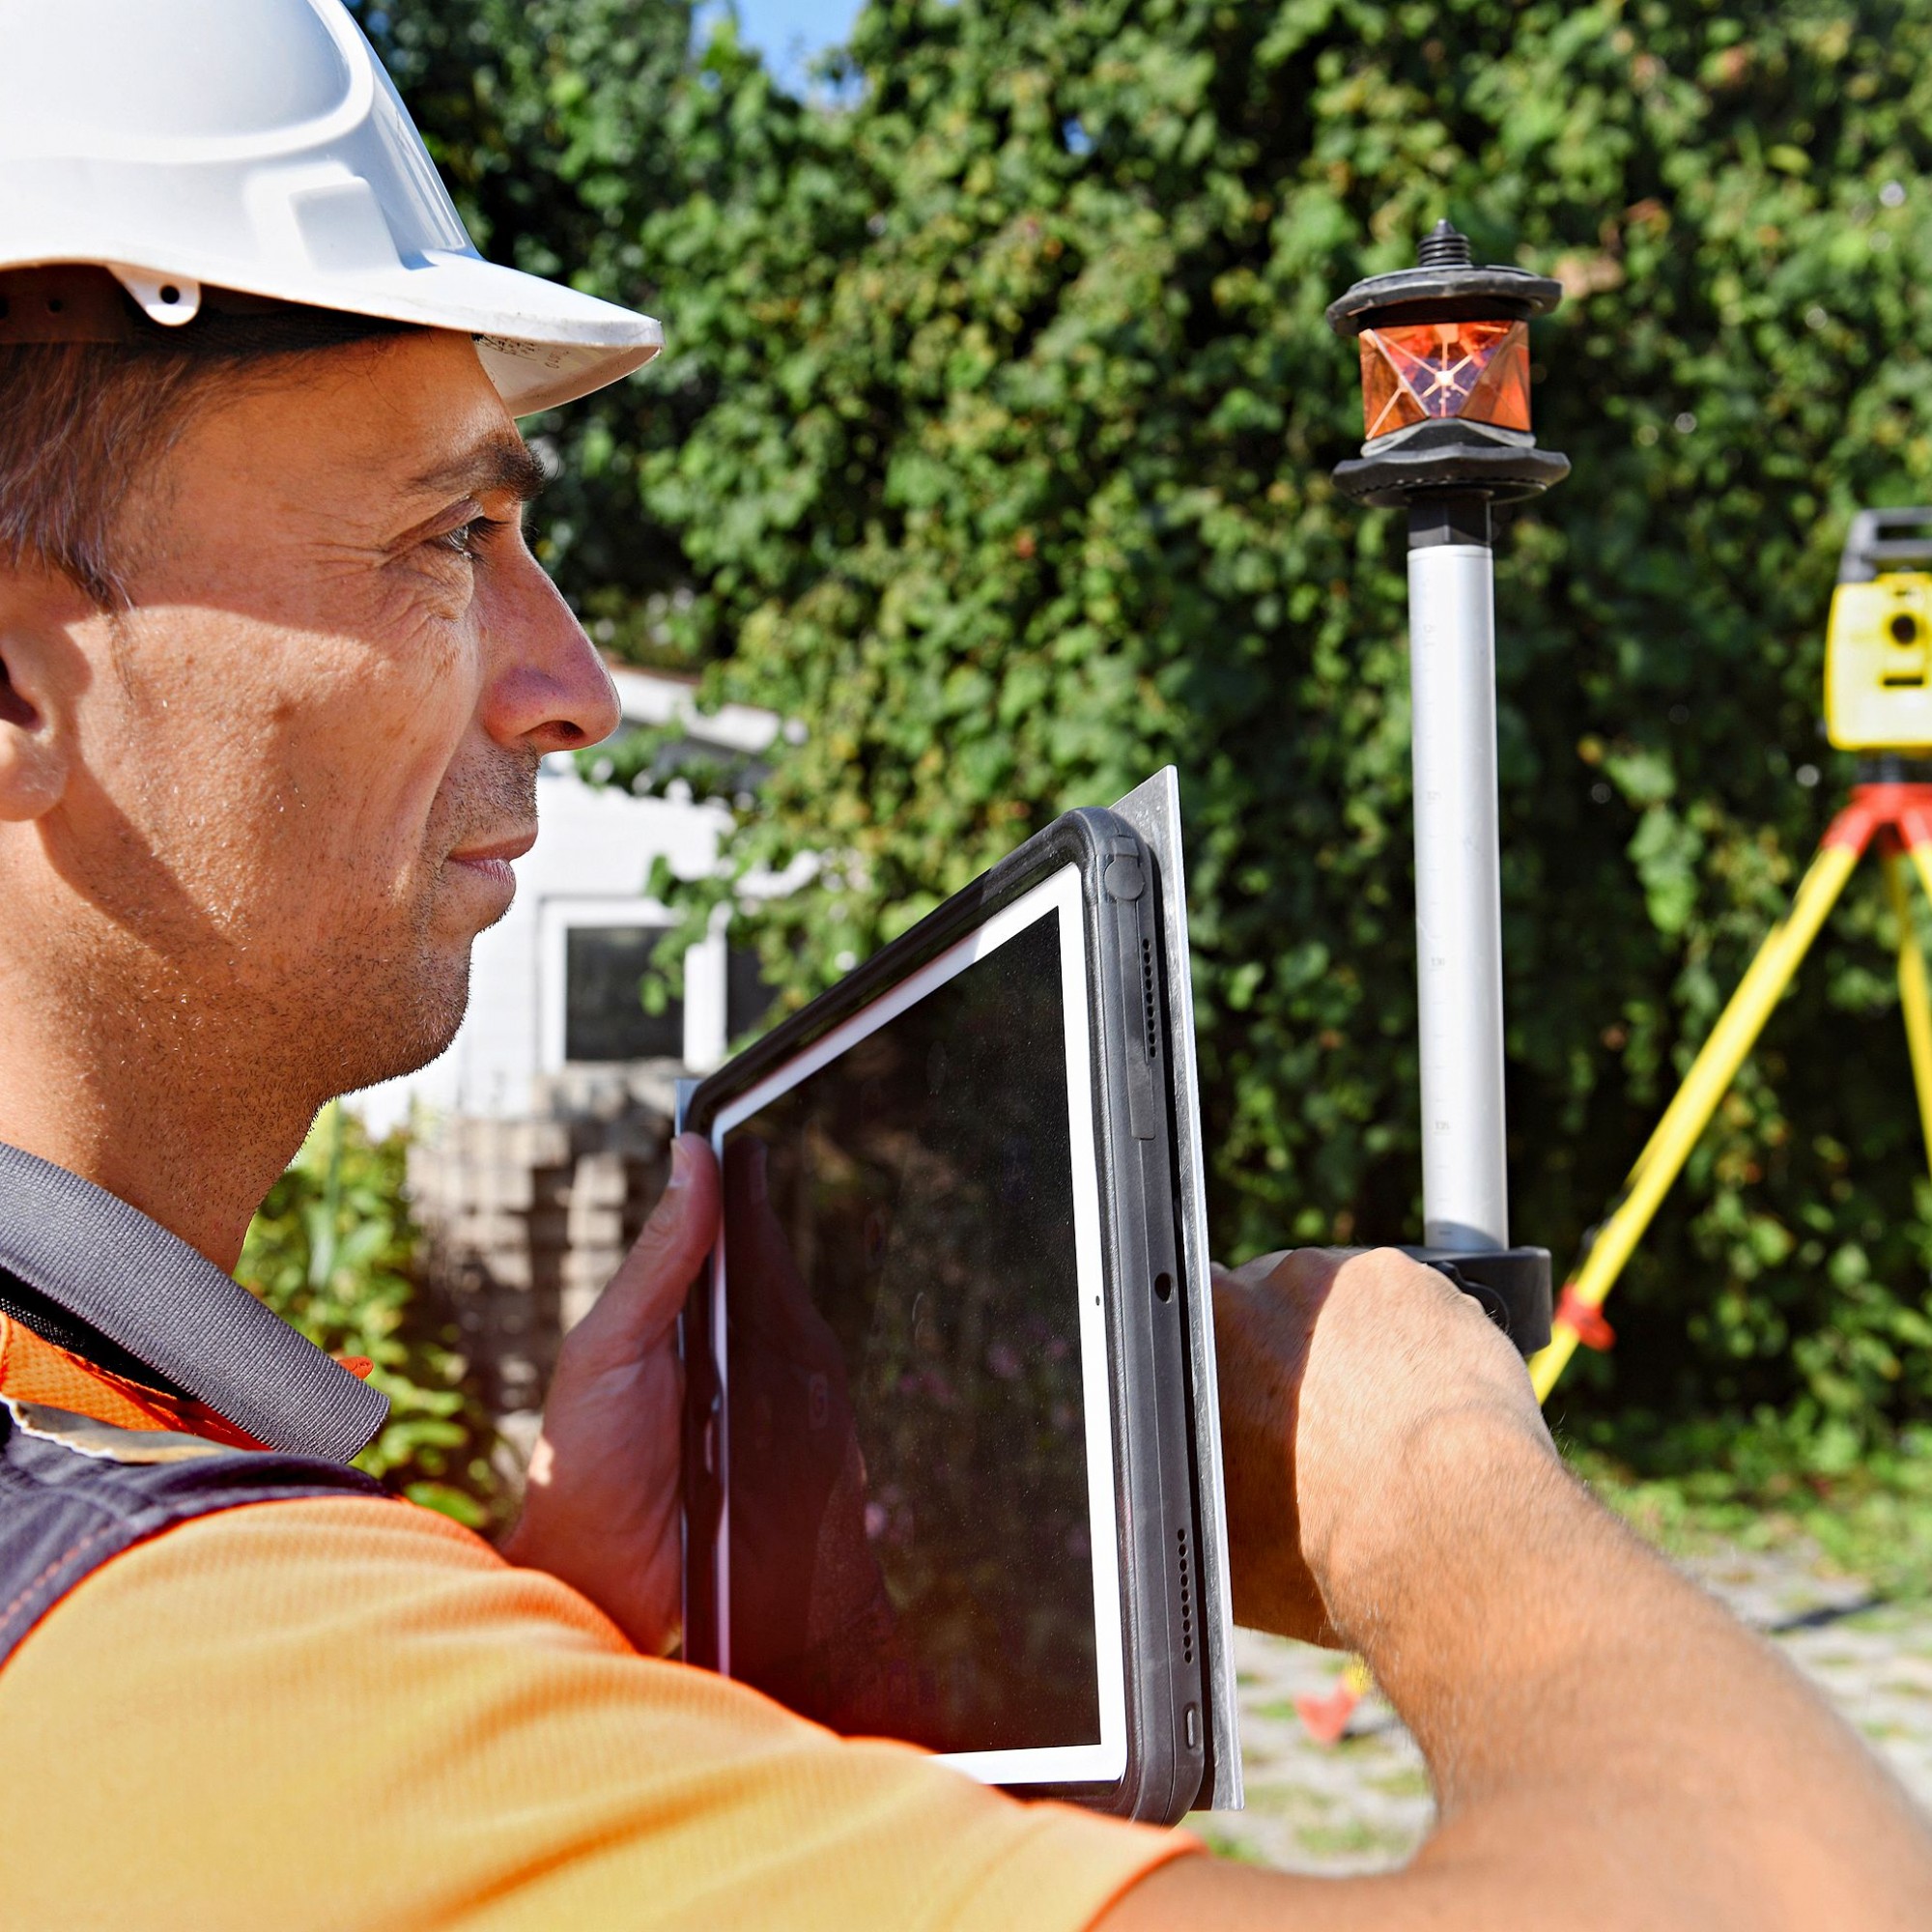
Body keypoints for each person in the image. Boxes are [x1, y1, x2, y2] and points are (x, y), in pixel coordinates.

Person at [0, 5, 1926, 1927]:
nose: (572, 683)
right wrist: (1414, 1468)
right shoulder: (172, 1654)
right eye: (449, 532)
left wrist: (579, 1627)